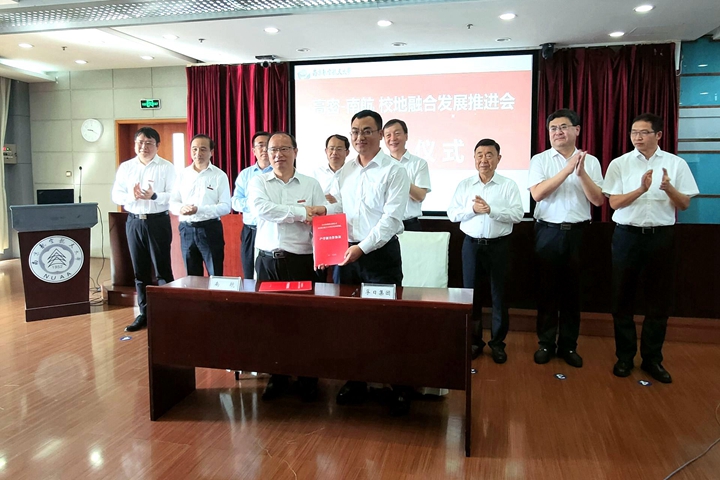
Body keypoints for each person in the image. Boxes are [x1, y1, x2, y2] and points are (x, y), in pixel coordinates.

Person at [326, 109, 411, 416]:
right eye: (355, 131)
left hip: (379, 255)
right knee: (351, 322)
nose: (359, 137)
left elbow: (391, 220)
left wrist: (361, 248)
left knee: (386, 321)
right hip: (346, 256)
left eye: (366, 131)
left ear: (379, 134)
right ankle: (357, 379)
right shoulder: (344, 171)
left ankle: (397, 383)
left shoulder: (394, 171)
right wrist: (315, 212)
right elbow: (335, 209)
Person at [603, 113, 699, 384]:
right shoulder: (620, 163)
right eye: (634, 132)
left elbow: (684, 204)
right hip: (627, 236)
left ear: (658, 135)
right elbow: (613, 203)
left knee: (658, 301)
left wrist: (668, 188)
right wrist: (640, 190)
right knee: (622, 299)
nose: (637, 137)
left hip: (661, 238)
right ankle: (624, 357)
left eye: (644, 132)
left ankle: (652, 359)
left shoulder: (675, 164)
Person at [248, 132, 327, 402]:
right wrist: (302, 212)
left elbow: (320, 221)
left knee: (304, 322)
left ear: (295, 151)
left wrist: (321, 251)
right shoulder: (258, 182)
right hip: (268, 262)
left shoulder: (311, 184)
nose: (278, 154)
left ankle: (307, 375)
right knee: (272, 321)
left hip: (301, 261)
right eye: (273, 150)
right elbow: (262, 209)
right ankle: (277, 375)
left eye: (284, 149)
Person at [528, 109, 605, 368]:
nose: (558, 132)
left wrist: (581, 173)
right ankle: (546, 343)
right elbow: (538, 194)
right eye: (553, 128)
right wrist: (568, 169)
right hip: (547, 231)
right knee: (547, 291)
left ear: (577, 130)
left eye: (563, 127)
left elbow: (598, 200)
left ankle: (569, 346)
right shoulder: (540, 160)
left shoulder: (590, 161)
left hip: (578, 233)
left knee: (573, 293)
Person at [448, 139, 523, 363]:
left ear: (498, 159)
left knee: (499, 295)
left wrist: (492, 210)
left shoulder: (508, 185)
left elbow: (517, 215)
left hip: (499, 246)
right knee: (472, 296)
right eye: (479, 155)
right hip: (471, 246)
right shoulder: (465, 185)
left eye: (489, 155)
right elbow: (452, 214)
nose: (484, 160)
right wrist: (472, 209)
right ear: (474, 158)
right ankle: (474, 342)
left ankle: (498, 344)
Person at [111, 127, 176, 332]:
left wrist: (154, 196)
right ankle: (144, 314)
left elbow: (175, 195)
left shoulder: (166, 167)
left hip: (158, 222)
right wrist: (132, 196)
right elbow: (116, 195)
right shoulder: (126, 167)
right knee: (140, 272)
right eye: (140, 142)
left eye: (149, 143)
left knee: (163, 271)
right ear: (134, 145)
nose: (144, 147)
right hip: (134, 222)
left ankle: (168, 314)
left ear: (157, 145)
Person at [169, 134, 231, 276]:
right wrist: (181, 208)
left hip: (210, 229)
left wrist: (199, 210)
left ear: (211, 152)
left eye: (203, 149)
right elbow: (173, 202)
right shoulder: (182, 174)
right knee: (191, 276)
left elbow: (225, 206)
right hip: (187, 229)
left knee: (215, 274)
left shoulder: (219, 175)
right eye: (194, 149)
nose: (198, 153)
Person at [231, 132, 272, 280]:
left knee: (268, 274)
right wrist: (256, 204)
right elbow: (235, 202)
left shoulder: (280, 173)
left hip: (271, 230)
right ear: (254, 151)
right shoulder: (245, 174)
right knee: (249, 273)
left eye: (268, 146)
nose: (264, 149)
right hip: (250, 230)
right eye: (260, 146)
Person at [383, 119, 432, 231]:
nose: (393, 139)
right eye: (388, 135)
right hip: (386, 225)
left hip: (410, 225)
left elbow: (420, 196)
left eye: (397, 133)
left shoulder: (419, 163)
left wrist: (401, 179)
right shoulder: (381, 165)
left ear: (406, 136)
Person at [313, 134, 349, 204]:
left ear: (347, 152)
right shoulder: (316, 174)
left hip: (345, 211)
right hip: (320, 210)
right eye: (331, 149)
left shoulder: (353, 173)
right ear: (326, 151)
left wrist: (337, 203)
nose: (334, 153)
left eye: (339, 149)